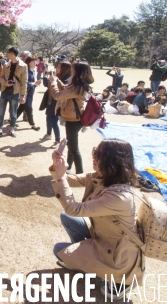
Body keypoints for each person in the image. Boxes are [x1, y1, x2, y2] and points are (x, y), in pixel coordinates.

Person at [50, 139, 142, 300]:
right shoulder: (104, 177)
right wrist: (57, 166)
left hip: (117, 256)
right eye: (94, 151)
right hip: (104, 239)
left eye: (98, 154)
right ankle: (87, 260)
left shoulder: (119, 196)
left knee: (59, 250)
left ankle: (118, 281)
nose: (93, 156)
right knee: (68, 219)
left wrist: (60, 178)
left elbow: (74, 208)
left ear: (112, 161)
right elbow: (70, 179)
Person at [49, 62, 94, 175]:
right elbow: (66, 91)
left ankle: (80, 174)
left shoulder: (77, 87)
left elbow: (58, 95)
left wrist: (53, 83)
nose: (71, 71)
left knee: (74, 148)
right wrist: (57, 80)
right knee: (71, 145)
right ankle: (68, 168)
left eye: (73, 69)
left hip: (74, 120)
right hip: (74, 119)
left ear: (77, 71)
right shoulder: (78, 85)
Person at [0, 47, 27, 136]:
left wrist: (23, 95)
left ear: (12, 54)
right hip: (5, 91)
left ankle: (12, 128)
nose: (6, 54)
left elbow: (24, 81)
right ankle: (0, 128)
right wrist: (5, 83)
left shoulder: (23, 66)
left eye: (8, 53)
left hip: (15, 92)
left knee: (13, 112)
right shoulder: (6, 64)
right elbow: (1, 77)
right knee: (1, 111)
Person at [41, 61, 71, 147]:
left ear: (64, 70)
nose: (56, 69)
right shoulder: (56, 76)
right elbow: (47, 85)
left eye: (59, 67)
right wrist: (45, 77)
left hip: (58, 104)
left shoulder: (67, 80)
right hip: (51, 102)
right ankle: (48, 134)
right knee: (48, 119)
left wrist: (55, 80)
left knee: (54, 122)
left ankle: (57, 140)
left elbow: (63, 90)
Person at [16, 57, 42, 130]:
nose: (35, 63)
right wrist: (34, 83)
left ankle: (12, 119)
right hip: (26, 93)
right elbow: (24, 83)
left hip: (30, 93)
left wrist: (36, 84)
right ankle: (33, 124)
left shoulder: (31, 71)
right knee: (29, 109)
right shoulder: (26, 71)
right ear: (29, 62)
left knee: (21, 108)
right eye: (33, 62)